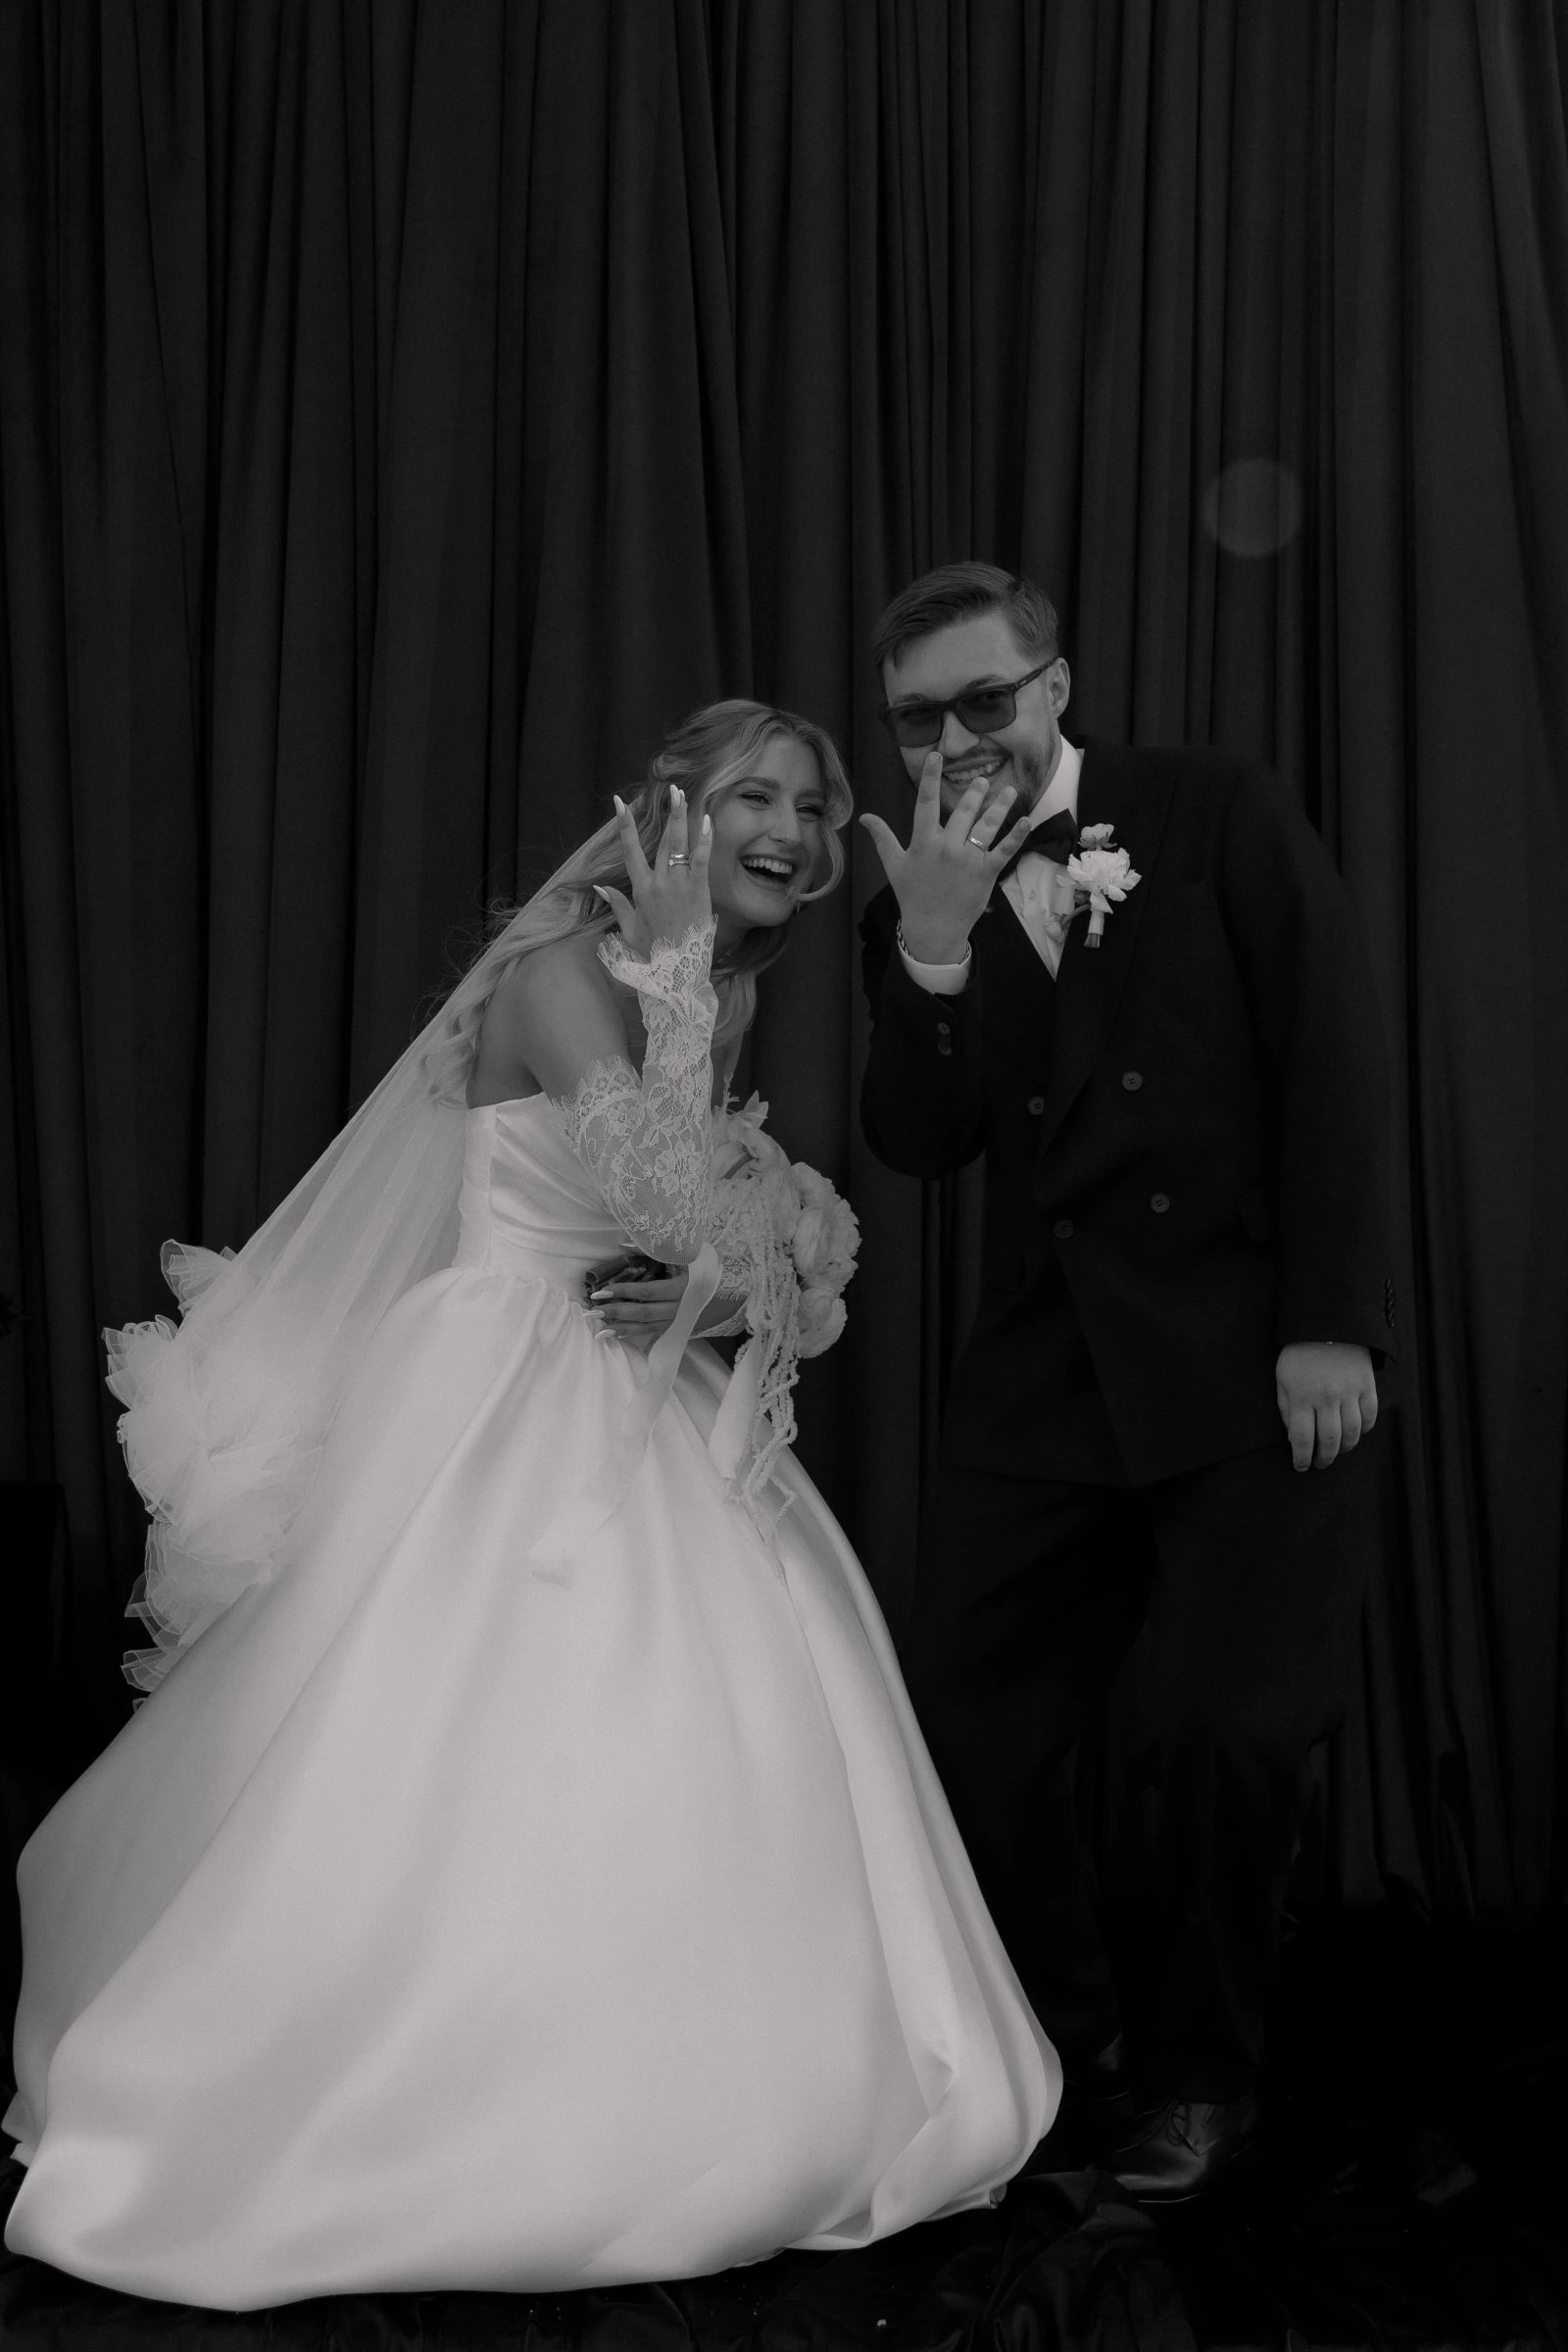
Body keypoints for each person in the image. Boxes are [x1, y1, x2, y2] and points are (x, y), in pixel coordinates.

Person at [5, 700, 1056, 2310]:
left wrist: (748, 1288)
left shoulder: (720, 988)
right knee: (438, 1729)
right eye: (755, 796)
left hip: (637, 1382)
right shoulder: (569, 971)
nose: (792, 829)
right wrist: (713, 1163)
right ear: (670, 816)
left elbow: (700, 1235)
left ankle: (717, 2075)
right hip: (500, 1382)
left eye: (813, 805)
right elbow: (662, 1199)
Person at [858, 565, 1394, 2198]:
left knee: (1230, 1735)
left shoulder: (1212, 809)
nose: (955, 741)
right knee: (968, 1725)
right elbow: (921, 1142)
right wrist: (930, 952)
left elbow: (1332, 1052)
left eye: (983, 700)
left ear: (1055, 686)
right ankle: (1066, 2047)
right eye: (918, 719)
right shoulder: (913, 899)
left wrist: (1333, 1320)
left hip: (1248, 1356)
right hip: (1048, 1373)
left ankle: (1203, 2078)